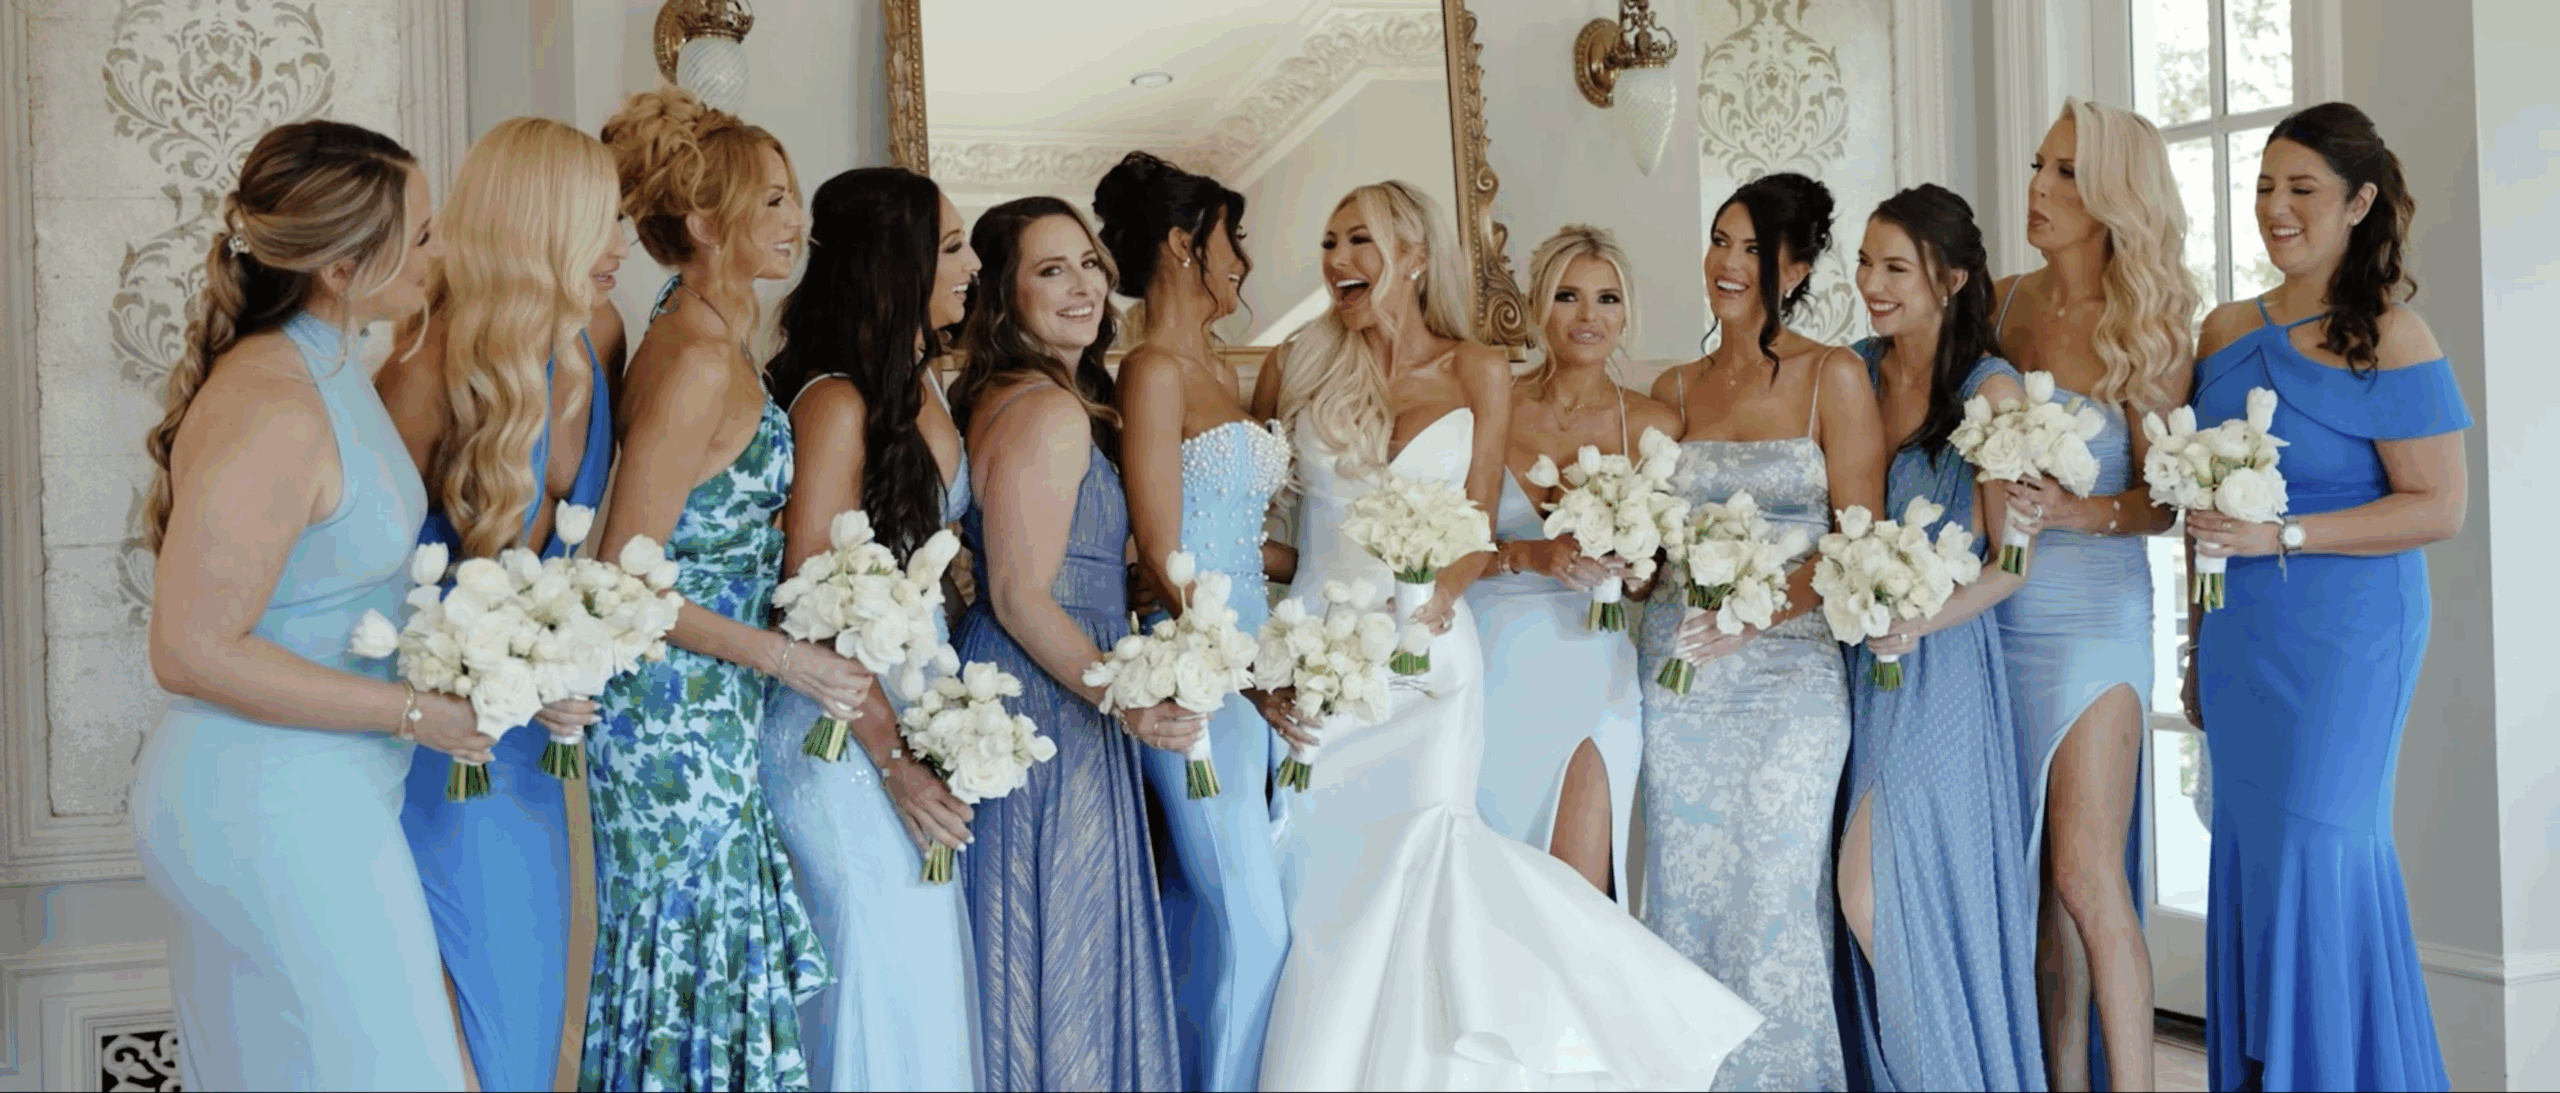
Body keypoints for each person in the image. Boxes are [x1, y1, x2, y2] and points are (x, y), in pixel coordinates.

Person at [1250, 180, 1765, 1091]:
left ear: (1413, 254)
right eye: (1329, 242)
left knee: (1441, 880)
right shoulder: (1295, 366)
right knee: (1326, 902)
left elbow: (1472, 527)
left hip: (1435, 665)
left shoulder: (1476, 370)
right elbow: (1267, 535)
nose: (1338, 261)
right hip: (1322, 666)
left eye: (1359, 240)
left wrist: (1425, 610)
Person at [131, 119, 474, 1091]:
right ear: (340, 263)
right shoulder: (275, 400)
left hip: (319, 796)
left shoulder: (338, 373)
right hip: (266, 805)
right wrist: (413, 711)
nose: (436, 252)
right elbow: (190, 649)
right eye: (421, 232)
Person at [2184, 101, 2466, 1093]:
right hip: (2241, 634)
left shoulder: (2392, 335)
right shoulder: (2220, 328)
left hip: (2349, 635)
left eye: (2301, 188)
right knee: (2256, 862)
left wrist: (2283, 535)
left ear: (2358, 203)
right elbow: (2199, 500)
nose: (2275, 207)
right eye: (2265, 185)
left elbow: (2437, 506)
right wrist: (2192, 642)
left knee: (2319, 848)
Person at [583, 87, 842, 1090]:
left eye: (793, 197)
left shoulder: (710, 335)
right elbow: (623, 577)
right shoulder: (692, 356)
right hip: (670, 721)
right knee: (682, 974)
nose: (795, 220)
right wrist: (789, 657)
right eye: (771, 200)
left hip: (710, 707)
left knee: (705, 973)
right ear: (700, 223)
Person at [375, 115, 627, 1092]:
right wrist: (494, 672)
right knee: (464, 1051)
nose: (617, 248)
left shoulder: (589, 346)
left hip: (531, 756)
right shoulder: (422, 369)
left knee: (526, 1034)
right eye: (598, 223)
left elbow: (579, 567)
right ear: (540, 227)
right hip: (439, 751)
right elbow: (365, 584)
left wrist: (565, 660)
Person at [945, 195, 1198, 1091]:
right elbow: (1019, 595)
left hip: (1053, 686)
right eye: (1051, 269)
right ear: (1004, 297)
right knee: (1066, 944)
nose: (1083, 283)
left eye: (1088, 261)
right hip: (1049, 702)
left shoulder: (1030, 396)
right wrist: (1127, 697)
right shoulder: (1045, 412)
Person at [1639, 173, 1883, 1091]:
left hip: (1789, 677)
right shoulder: (1672, 387)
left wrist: (1756, 612)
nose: (1727, 263)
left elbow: (1854, 545)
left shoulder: (1835, 376)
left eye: (1752, 248)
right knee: (1687, 889)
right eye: (1719, 241)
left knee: (1775, 888)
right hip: (1680, 675)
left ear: (1797, 265)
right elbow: (1650, 540)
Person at [755, 165, 983, 1091]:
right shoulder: (835, 400)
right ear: (896, 263)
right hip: (840, 739)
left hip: (911, 712)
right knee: (873, 984)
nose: (973, 267)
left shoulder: (923, 381)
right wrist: (892, 758)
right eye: (954, 247)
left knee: (919, 988)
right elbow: (814, 602)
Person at [1994, 97, 2198, 1093]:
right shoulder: (1998, 305)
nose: (2037, 186)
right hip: (1994, 614)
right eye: (2038, 164)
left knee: (2084, 868)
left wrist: (2077, 515)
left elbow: (2165, 507)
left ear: (2114, 192)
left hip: (2092, 619)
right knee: (2037, 881)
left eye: (2065, 172)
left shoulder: (2148, 328)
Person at [1838, 184, 2047, 1091]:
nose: (1871, 283)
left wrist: (1915, 618)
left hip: (1942, 662)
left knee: (1874, 891)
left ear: (1952, 278)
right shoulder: (1849, 368)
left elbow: (2012, 563)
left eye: (1896, 267)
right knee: (1869, 890)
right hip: (1851, 655)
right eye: (1865, 262)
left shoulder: (1988, 391)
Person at [1095, 150, 1293, 1092]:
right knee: (1257, 926)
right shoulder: (1151, 372)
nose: (1242, 262)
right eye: (1232, 239)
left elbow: (1242, 541)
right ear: (1185, 245)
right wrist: (1249, 676)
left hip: (1257, 667)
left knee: (1221, 918)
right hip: (1198, 681)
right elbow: (1166, 553)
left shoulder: (1215, 369)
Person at [1468, 223, 1677, 900]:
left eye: (1608, 299)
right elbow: (1449, 549)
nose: (1589, 316)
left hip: (1595, 667)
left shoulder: (1654, 425)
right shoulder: (1488, 406)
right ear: (1537, 305)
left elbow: (1654, 579)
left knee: (1583, 892)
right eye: (1568, 296)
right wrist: (1532, 553)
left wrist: (1634, 568)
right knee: (1498, 888)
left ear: (1626, 315)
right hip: (1493, 661)